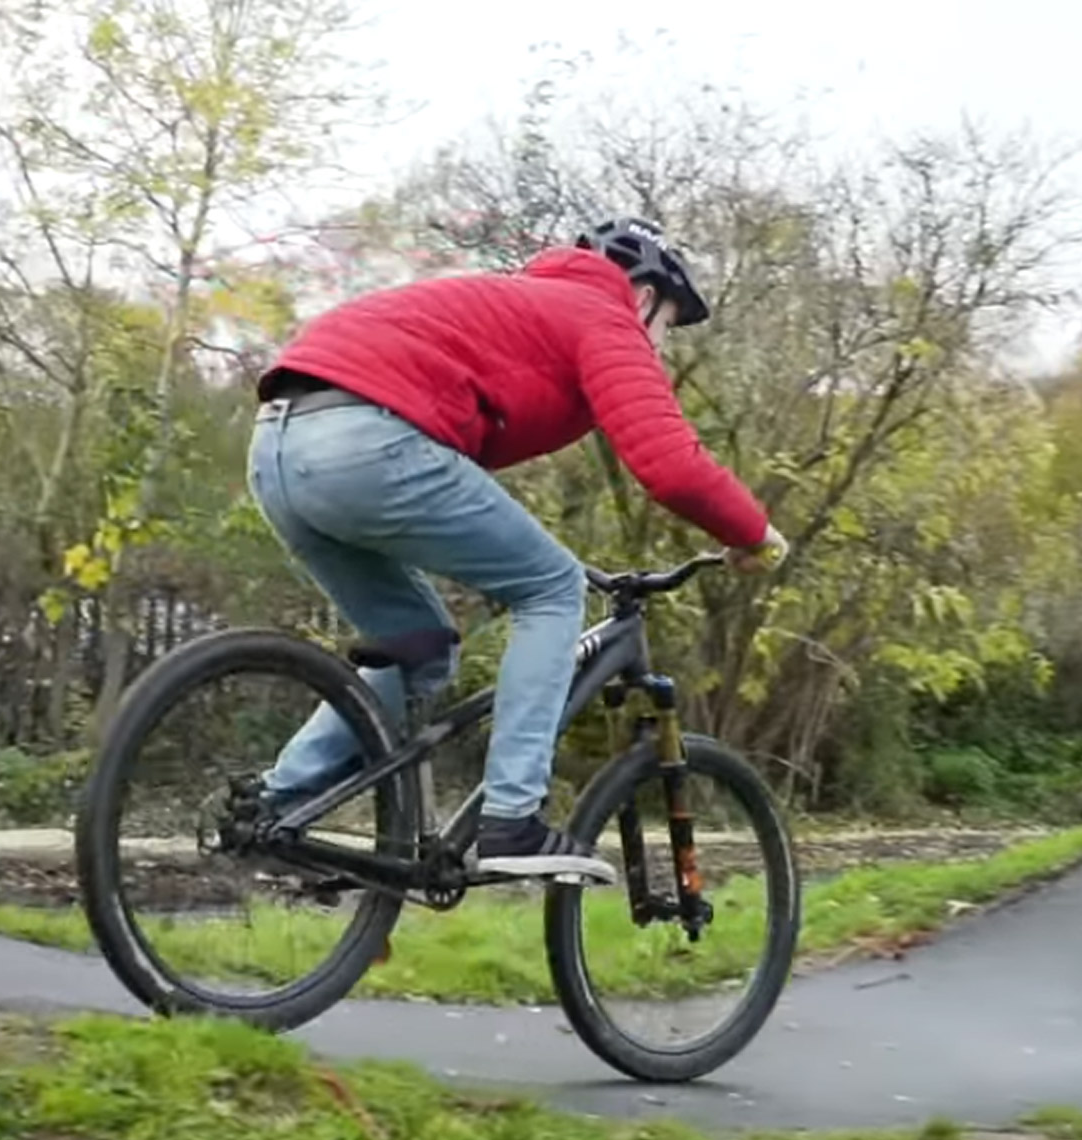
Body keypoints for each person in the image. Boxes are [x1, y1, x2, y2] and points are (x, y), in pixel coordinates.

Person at [244, 217, 787, 883]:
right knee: (555, 587)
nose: (661, 348)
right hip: (366, 441)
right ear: (643, 295)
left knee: (417, 645)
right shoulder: (602, 315)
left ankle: (279, 805)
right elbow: (670, 465)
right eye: (667, 327)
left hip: (277, 445)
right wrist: (752, 533)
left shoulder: (515, 306)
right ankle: (512, 822)